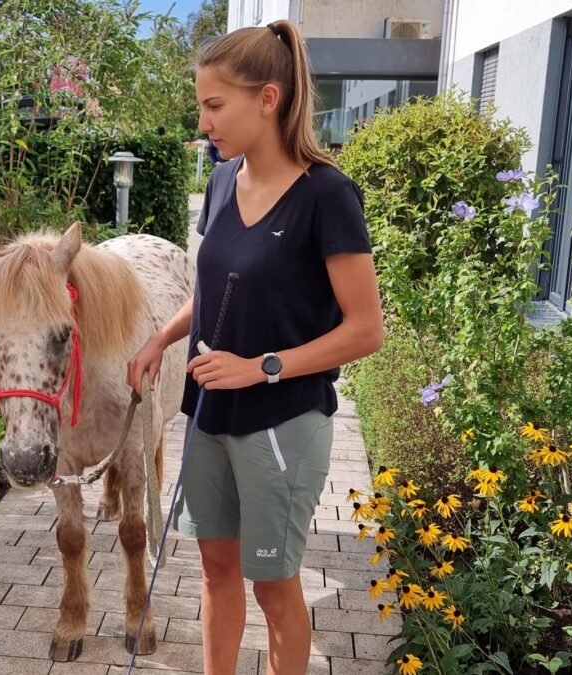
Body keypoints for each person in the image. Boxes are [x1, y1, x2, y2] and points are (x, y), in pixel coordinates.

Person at [126, 19, 384, 675]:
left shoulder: (327, 194)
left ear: (267, 99)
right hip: (210, 413)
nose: (204, 122)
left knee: (272, 584)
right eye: (202, 107)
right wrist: (161, 336)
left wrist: (260, 367)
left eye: (215, 105)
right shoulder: (221, 183)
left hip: (283, 422)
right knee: (215, 568)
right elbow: (218, 287)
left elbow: (366, 329)